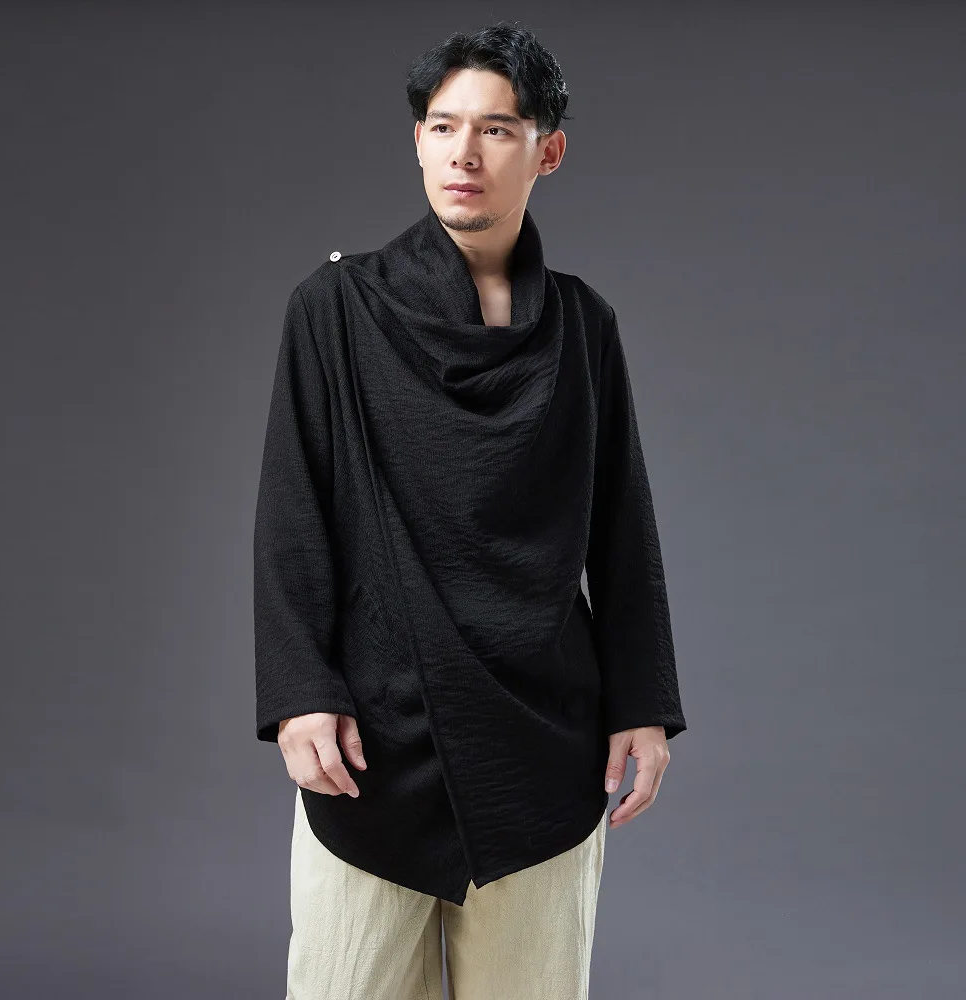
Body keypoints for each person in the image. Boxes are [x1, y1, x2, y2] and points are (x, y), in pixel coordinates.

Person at [253, 20, 687, 1000]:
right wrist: (299, 692)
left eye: (496, 129)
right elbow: (292, 507)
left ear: (547, 150)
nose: (464, 153)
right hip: (374, 732)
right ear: (416, 140)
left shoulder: (582, 323)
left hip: (543, 734)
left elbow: (620, 521)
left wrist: (641, 705)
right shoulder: (335, 307)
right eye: (444, 126)